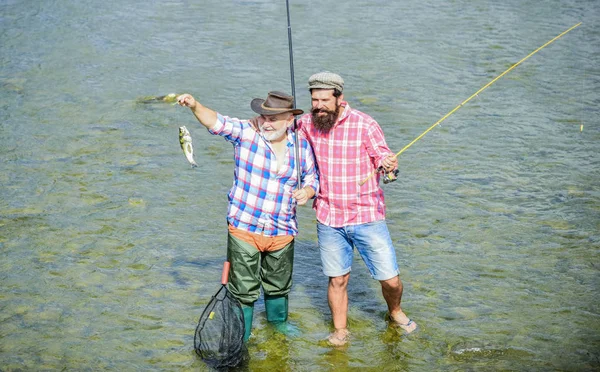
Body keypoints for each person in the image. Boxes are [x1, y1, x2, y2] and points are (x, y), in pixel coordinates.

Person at [177, 91, 318, 341]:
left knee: (278, 286)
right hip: (244, 226)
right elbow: (216, 122)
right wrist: (194, 104)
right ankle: (242, 334)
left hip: (282, 230)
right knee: (243, 290)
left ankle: (279, 326)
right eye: (264, 116)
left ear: (289, 120)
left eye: (274, 118)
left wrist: (307, 191)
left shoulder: (301, 145)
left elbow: (312, 179)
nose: (266, 122)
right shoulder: (246, 133)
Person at [297, 72, 418, 346]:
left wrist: (390, 166)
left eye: (325, 100)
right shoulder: (306, 123)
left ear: (340, 98)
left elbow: (385, 160)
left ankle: (395, 312)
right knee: (337, 280)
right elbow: (278, 131)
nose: (318, 105)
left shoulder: (365, 124)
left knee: (390, 280)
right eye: (314, 100)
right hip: (328, 216)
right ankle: (341, 330)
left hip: (367, 216)